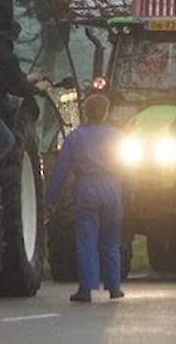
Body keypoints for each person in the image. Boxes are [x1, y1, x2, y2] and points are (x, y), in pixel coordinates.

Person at [46, 94, 124, 302]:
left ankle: (86, 289)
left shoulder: (75, 137)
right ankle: (114, 287)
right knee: (111, 239)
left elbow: (61, 171)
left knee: (86, 239)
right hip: (112, 187)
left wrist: (51, 200)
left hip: (87, 187)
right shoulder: (117, 136)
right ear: (106, 112)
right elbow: (128, 167)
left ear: (86, 112)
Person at [0, 19, 49, 161]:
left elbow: (5, 76)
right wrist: (37, 88)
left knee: (7, 140)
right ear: (15, 36)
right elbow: (17, 87)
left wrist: (29, 78)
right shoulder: (5, 55)